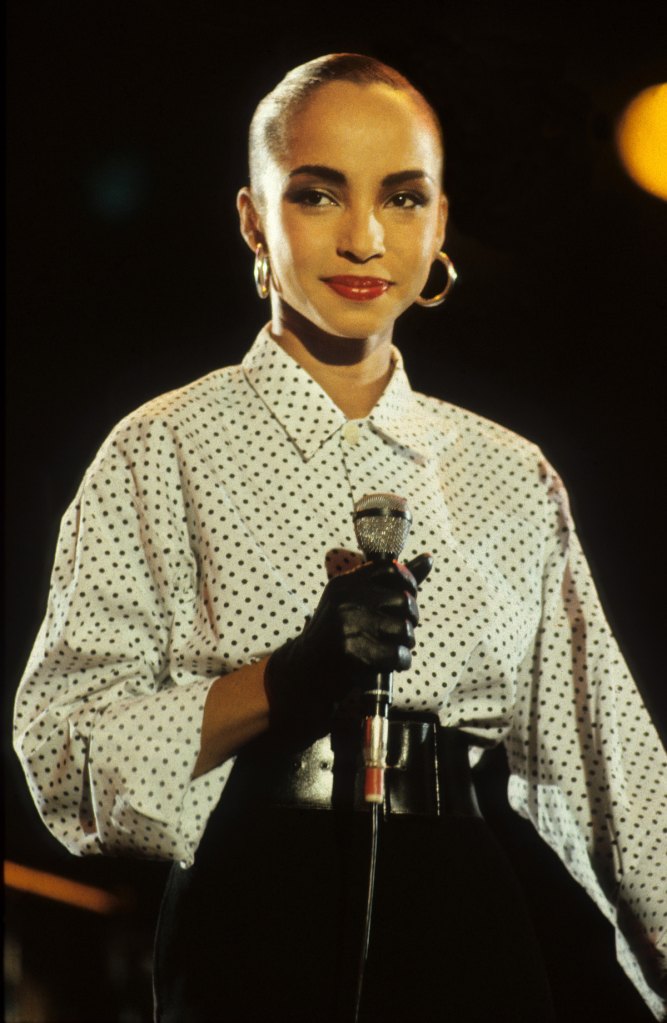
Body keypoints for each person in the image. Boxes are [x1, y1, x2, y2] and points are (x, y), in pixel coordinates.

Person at [13, 53, 666, 1022]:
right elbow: (63, 752)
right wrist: (286, 681)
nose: (364, 237)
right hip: (254, 914)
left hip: (464, 921)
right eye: (318, 194)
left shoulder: (508, 474)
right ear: (252, 219)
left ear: (439, 223)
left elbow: (615, 776)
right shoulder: (162, 450)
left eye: (403, 199)